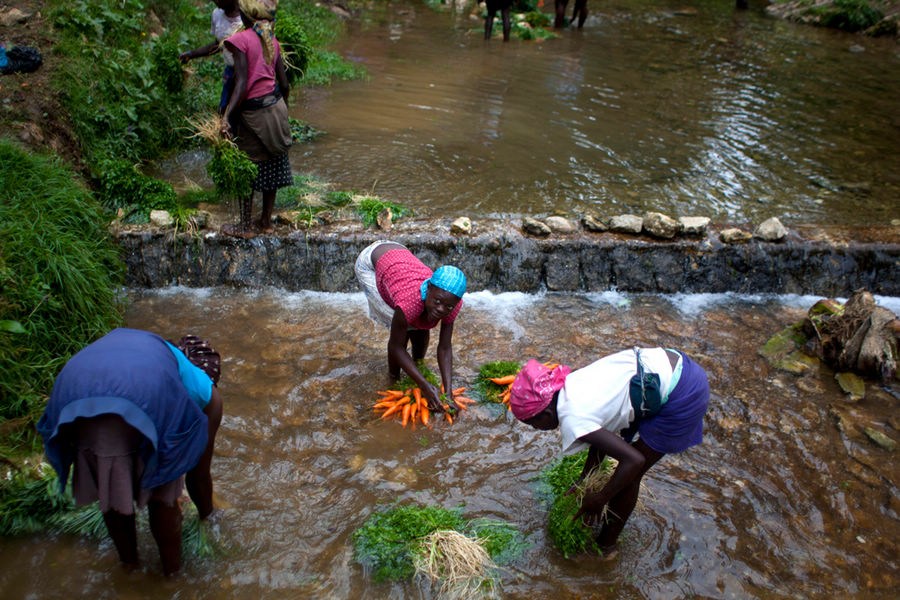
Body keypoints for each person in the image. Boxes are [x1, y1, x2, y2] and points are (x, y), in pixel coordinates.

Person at [37, 329, 224, 576]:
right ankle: (172, 578)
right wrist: (209, 517)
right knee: (163, 495)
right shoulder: (203, 388)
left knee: (111, 483)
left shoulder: (148, 348)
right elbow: (197, 476)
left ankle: (129, 567)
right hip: (139, 392)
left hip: (71, 396)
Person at [509, 347, 709, 557]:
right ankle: (608, 536)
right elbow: (602, 433)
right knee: (624, 473)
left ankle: (607, 546)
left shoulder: (573, 418)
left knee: (630, 478)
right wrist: (585, 478)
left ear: (546, 413)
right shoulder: (572, 385)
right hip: (672, 366)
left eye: (533, 424)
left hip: (684, 392)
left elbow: (635, 460)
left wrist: (600, 499)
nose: (535, 429)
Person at [355, 241, 467, 413]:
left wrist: (449, 391)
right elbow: (396, 346)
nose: (441, 309)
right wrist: (424, 385)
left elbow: (444, 348)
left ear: (456, 302)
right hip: (370, 264)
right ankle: (394, 379)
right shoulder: (409, 301)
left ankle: (418, 364)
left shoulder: (451, 302)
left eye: (448, 306)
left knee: (421, 322)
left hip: (397, 255)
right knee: (405, 328)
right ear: (428, 287)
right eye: (437, 301)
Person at [220, 0, 292, 238]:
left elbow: (241, 84)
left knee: (247, 167)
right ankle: (266, 221)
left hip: (253, 115)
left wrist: (227, 116)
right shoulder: (271, 41)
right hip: (276, 109)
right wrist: (283, 110)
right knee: (272, 162)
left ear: (245, 14)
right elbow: (284, 84)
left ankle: (244, 226)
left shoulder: (241, 41)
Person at [179, 0, 243, 114]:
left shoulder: (248, 14)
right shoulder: (217, 15)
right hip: (231, 71)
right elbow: (218, 45)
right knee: (224, 110)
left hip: (249, 71)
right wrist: (191, 54)